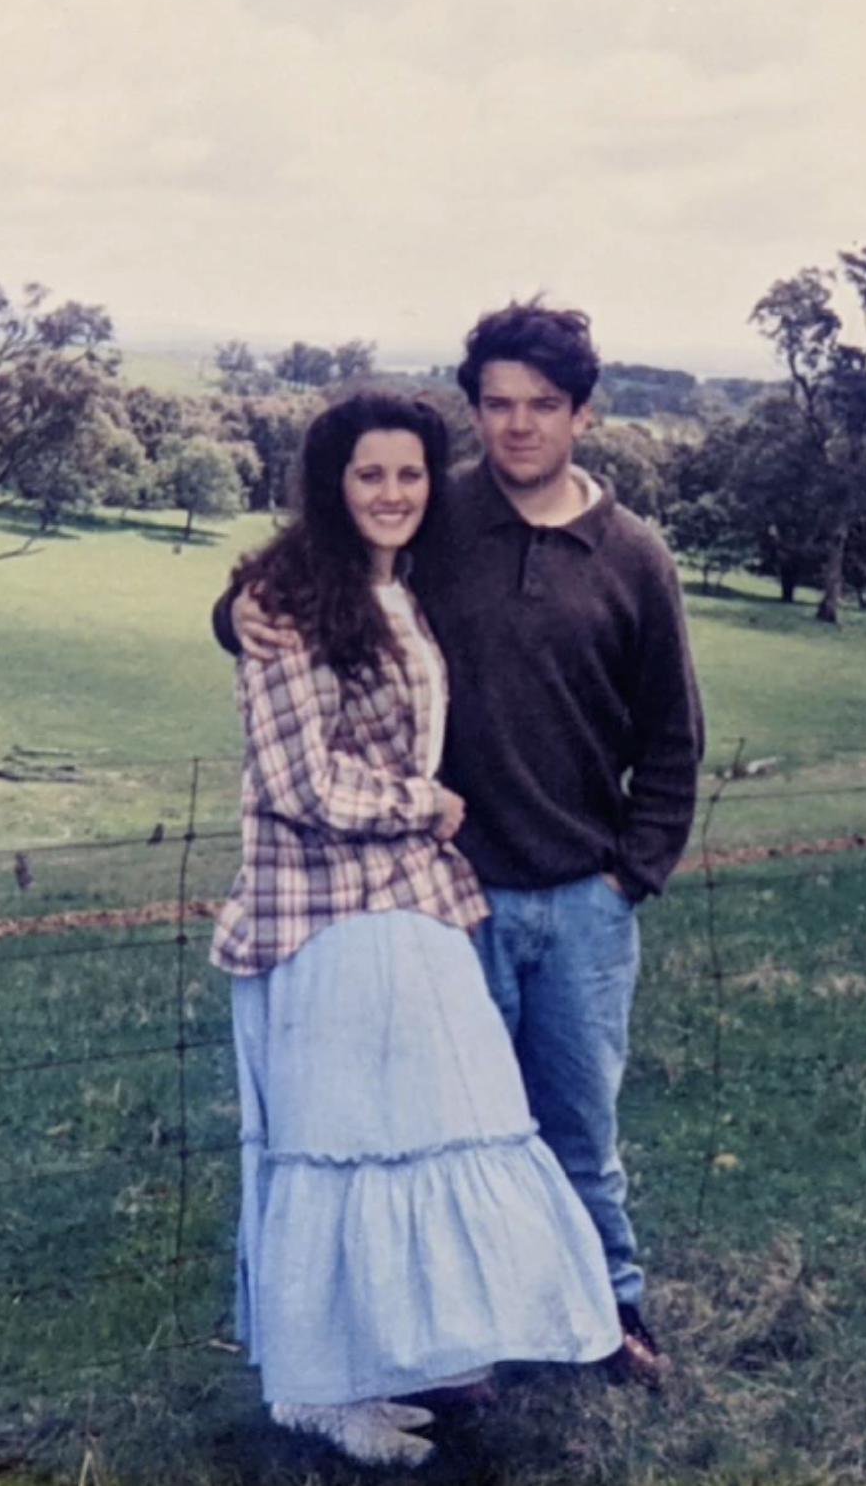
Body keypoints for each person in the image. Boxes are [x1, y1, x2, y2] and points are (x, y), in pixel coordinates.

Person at [221, 303, 704, 1385]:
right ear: (473, 408)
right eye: (495, 403)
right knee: (452, 1126)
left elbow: (672, 733)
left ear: (582, 412)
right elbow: (322, 567)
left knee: (579, 1131)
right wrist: (231, 611)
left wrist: (632, 872)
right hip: (446, 896)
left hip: (583, 895)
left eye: (541, 405)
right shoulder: (436, 518)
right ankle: (477, 1332)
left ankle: (607, 1312)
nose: (517, 426)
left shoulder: (633, 558)